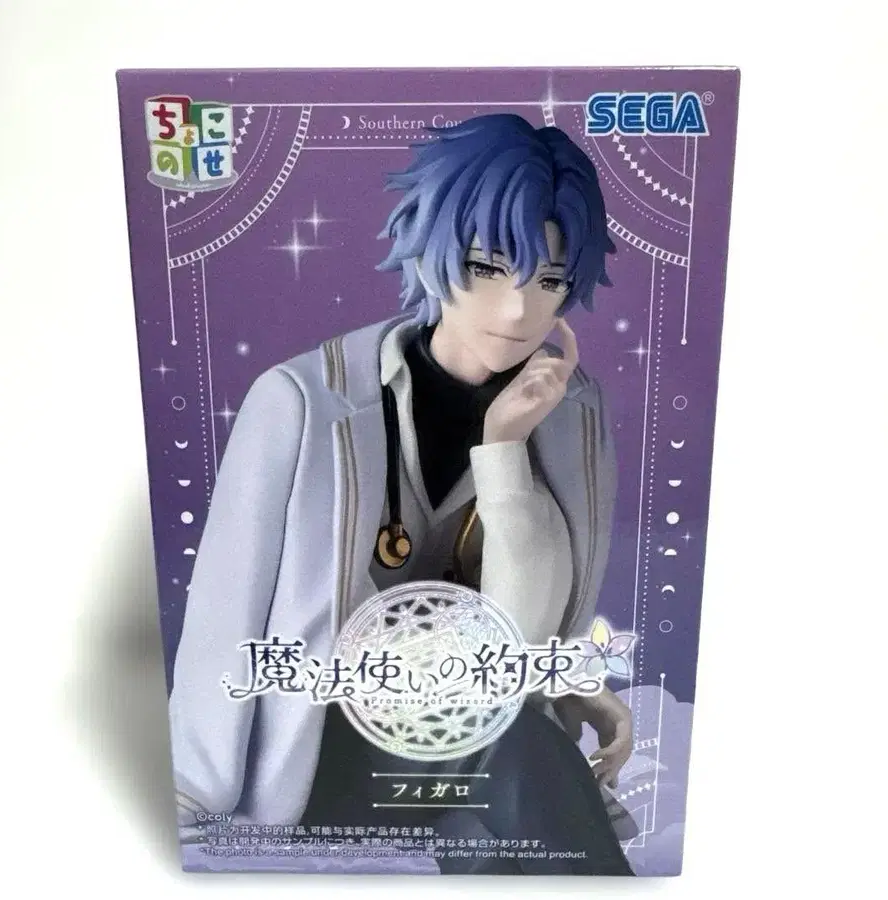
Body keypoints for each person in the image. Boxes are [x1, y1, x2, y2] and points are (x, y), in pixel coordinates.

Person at [169, 114, 633, 874]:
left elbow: (518, 642)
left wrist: (504, 451)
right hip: (319, 753)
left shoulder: (571, 415)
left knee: (493, 829)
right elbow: (227, 609)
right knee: (512, 756)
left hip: (469, 737)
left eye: (549, 282)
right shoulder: (301, 401)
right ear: (430, 251)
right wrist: (194, 792)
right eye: (487, 268)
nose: (517, 311)